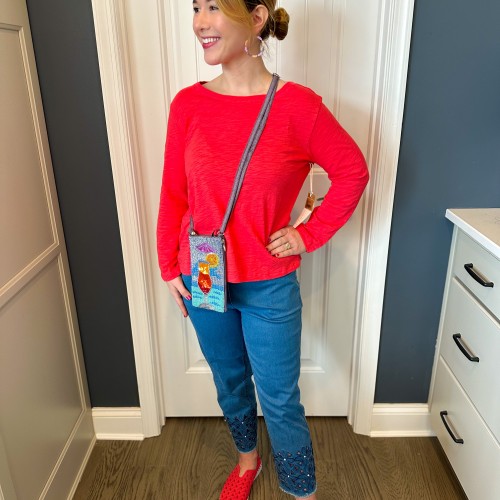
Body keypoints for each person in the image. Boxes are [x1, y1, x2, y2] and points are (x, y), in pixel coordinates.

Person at [157, 1, 369, 498]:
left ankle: (300, 488)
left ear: (255, 19)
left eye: (215, 7)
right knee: (230, 381)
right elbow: (173, 193)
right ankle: (247, 461)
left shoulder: (298, 107)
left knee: (279, 397)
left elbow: (352, 172)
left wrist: (306, 235)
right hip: (203, 275)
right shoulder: (188, 105)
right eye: (196, 7)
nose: (200, 21)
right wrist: (168, 265)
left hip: (269, 285)